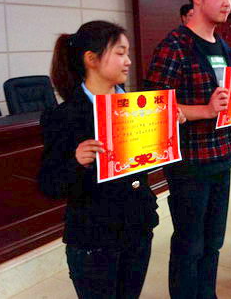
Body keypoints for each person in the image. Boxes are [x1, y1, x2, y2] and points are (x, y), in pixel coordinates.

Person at [38, 20, 159, 299]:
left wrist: (164, 132)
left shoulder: (138, 108)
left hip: (137, 227)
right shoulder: (64, 116)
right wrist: (76, 161)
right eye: (120, 53)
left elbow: (146, 165)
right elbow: (48, 184)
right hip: (94, 236)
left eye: (127, 53)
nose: (128, 61)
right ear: (91, 59)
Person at [145, 0, 231, 299]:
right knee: (190, 244)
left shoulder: (223, 47)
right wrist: (206, 110)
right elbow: (154, 110)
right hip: (189, 164)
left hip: (222, 157)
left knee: (213, 242)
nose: (228, 1)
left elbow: (226, 99)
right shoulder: (175, 46)